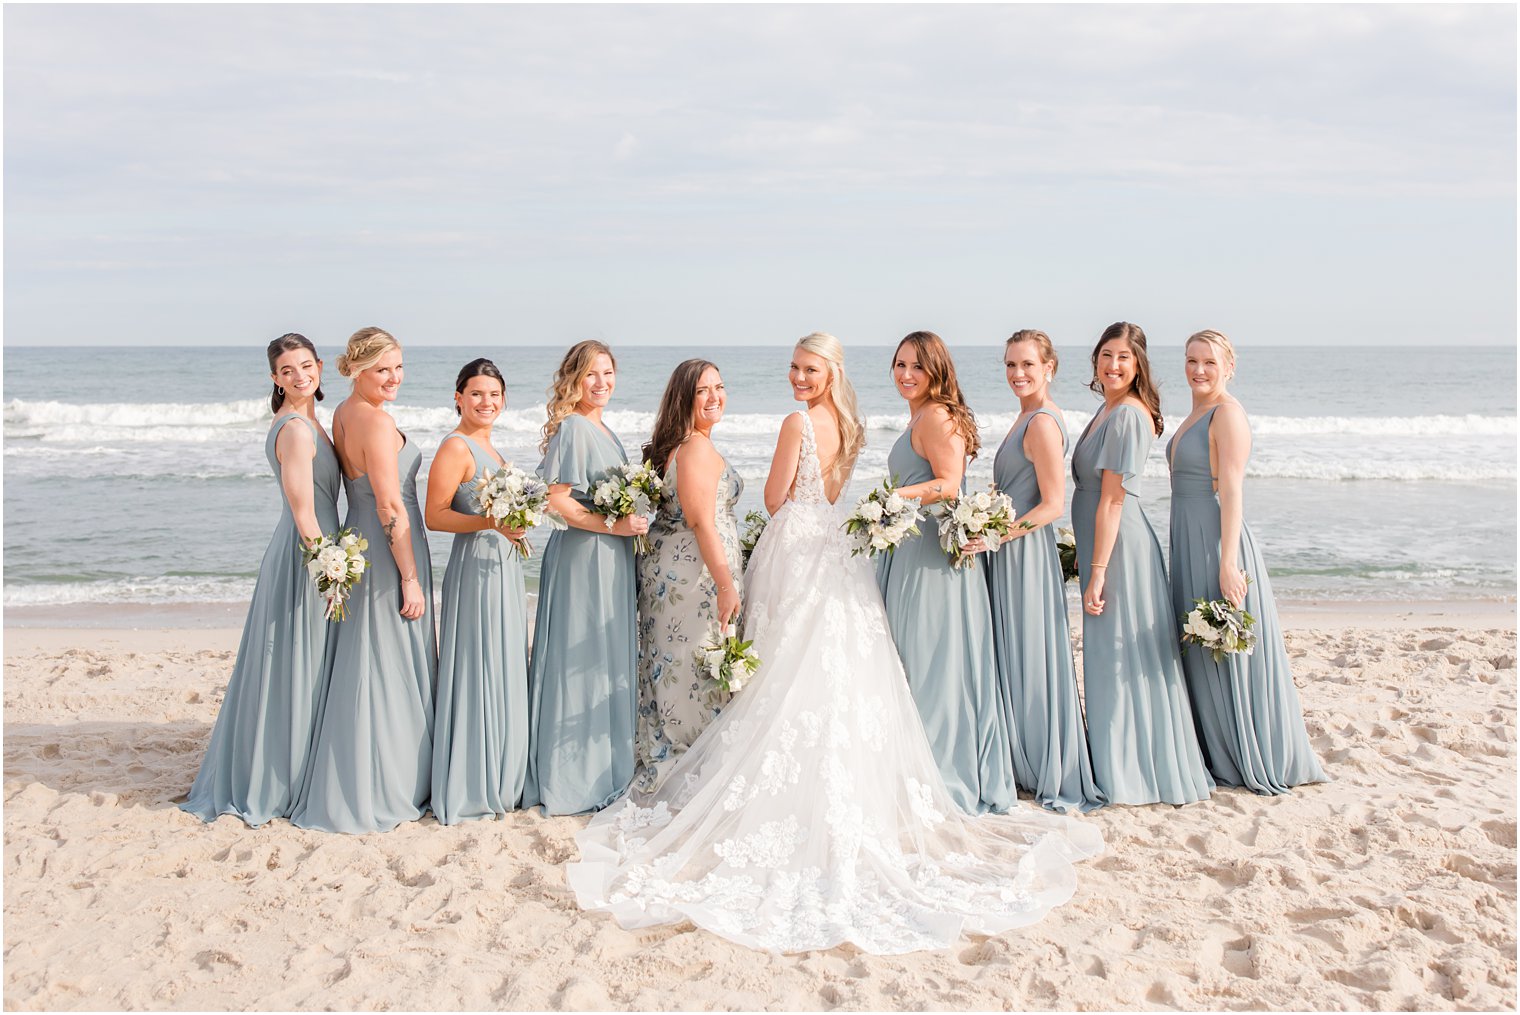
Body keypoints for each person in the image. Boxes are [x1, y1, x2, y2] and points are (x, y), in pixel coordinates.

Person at [567, 333, 1103, 955]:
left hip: (794, 547)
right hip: (834, 548)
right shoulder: (848, 422)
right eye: (794, 368)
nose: (797, 377)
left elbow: (774, 500)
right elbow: (829, 493)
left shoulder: (798, 421)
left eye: (807, 368)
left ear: (828, 372)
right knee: (839, 667)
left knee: (785, 666)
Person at [181, 334, 340, 827]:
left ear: (319, 368)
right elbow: (302, 509)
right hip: (306, 552)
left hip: (316, 547)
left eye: (306, 365)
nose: (299, 375)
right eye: (288, 370)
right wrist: (329, 566)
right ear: (275, 378)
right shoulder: (295, 428)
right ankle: (280, 778)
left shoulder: (314, 422)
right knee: (295, 665)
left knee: (302, 663)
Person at [290, 327, 437, 833]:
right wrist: (411, 577)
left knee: (369, 658)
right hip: (387, 547)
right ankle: (388, 782)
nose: (394, 377)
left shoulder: (342, 413)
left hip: (361, 539)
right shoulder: (375, 421)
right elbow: (391, 505)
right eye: (382, 370)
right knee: (388, 664)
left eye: (398, 366)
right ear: (357, 371)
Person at [1168, 329, 1328, 794]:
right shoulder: (1197, 411)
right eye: (1192, 360)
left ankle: (1246, 752)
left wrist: (1228, 561)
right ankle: (1218, 749)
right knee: (1201, 648)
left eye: (1209, 363)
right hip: (1187, 535)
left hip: (1218, 540)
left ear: (1229, 368)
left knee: (1225, 648)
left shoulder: (1228, 414)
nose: (1199, 370)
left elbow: (1233, 489)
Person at [1070, 321, 1213, 806]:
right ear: (1095, 359)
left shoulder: (1128, 416)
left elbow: (1111, 500)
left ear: (1138, 366)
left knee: (1119, 653)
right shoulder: (1106, 409)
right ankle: (1118, 756)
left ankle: (1130, 768)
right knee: (1112, 652)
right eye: (1106, 355)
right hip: (1106, 546)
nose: (1113, 365)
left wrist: (1097, 569)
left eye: (1124, 358)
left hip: (1119, 551)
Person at [876, 331, 1014, 814]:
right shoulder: (922, 413)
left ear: (936, 369)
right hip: (913, 547)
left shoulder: (936, 415)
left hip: (932, 554)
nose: (906, 374)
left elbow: (949, 484)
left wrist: (892, 499)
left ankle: (940, 775)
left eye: (916, 366)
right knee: (915, 660)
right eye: (899, 365)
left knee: (933, 663)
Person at [974, 330, 1105, 814]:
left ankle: (1046, 762)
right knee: (1016, 653)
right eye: (1010, 365)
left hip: (1025, 555)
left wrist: (993, 535)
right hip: (1011, 549)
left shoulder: (1043, 424)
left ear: (1049, 367)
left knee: (1031, 653)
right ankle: (1024, 756)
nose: (1018, 374)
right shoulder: (1025, 416)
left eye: (1027, 364)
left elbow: (1053, 505)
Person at [522, 340, 648, 815]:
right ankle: (572, 775)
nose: (601, 383)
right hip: (584, 556)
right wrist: (613, 525)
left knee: (604, 656)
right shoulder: (574, 427)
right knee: (582, 657)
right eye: (591, 375)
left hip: (611, 555)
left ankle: (606, 764)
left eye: (609, 374)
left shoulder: (604, 429)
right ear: (574, 379)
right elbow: (556, 500)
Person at [425, 358, 532, 823]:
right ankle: (474, 779)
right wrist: (491, 521)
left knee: (503, 661)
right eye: (476, 394)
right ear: (458, 397)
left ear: (504, 400)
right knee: (478, 664)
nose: (486, 402)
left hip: (503, 570)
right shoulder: (456, 446)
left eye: (494, 395)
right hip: (476, 569)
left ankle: (502, 772)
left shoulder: (492, 448)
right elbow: (434, 515)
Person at [632, 359, 744, 796]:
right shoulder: (694, 447)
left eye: (720, 386)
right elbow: (701, 521)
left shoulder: (688, 444)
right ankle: (695, 760)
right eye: (703, 390)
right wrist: (725, 583)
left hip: (684, 572)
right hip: (693, 578)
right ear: (685, 398)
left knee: (688, 668)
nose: (715, 396)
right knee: (696, 670)